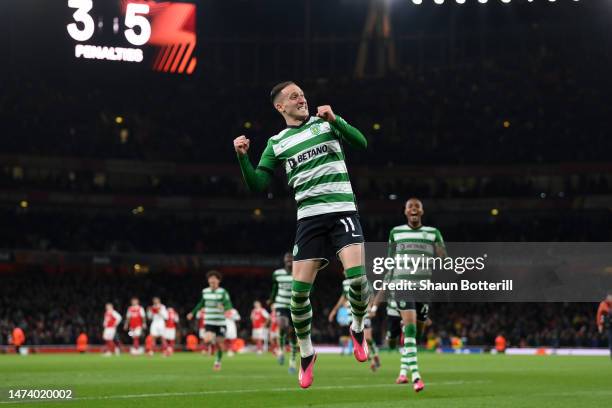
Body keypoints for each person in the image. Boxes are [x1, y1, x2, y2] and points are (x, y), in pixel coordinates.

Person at [234, 81, 370, 389]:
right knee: (297, 296)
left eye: (302, 94)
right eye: (294, 96)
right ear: (281, 107)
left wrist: (336, 120)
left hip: (342, 212)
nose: (302, 98)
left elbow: (361, 143)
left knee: (358, 280)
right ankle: (307, 353)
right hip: (309, 220)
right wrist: (243, 157)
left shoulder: (326, 123)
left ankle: (358, 327)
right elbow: (257, 185)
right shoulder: (276, 143)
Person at [370, 198, 446, 393]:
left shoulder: (433, 233)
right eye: (410, 206)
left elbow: (444, 259)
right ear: (405, 211)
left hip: (423, 289)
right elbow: (389, 264)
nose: (413, 209)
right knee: (410, 329)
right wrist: (377, 302)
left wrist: (440, 255)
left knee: (415, 335)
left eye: (417, 206)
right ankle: (416, 377)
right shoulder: (395, 233)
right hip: (402, 285)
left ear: (422, 211)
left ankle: (403, 371)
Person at [329, 279, 380, 371]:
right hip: (350, 313)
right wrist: (334, 310)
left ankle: (374, 356)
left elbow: (371, 296)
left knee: (368, 337)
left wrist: (372, 308)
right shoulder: (344, 283)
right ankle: (373, 357)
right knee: (360, 337)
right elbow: (343, 297)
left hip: (364, 311)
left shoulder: (364, 280)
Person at [187, 270, 233, 371]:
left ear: (218, 281)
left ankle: (217, 362)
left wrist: (226, 309)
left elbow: (228, 303)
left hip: (220, 322)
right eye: (210, 280)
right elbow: (201, 303)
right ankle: (211, 344)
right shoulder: (205, 291)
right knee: (207, 339)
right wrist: (192, 313)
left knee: (220, 344)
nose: (212, 282)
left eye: (214, 280)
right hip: (209, 321)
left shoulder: (223, 292)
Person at [268, 252, 297, 373]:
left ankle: (292, 360)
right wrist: (271, 299)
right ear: (284, 260)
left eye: (291, 258)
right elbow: (275, 288)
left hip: (295, 306)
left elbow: (310, 287)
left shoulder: (299, 272)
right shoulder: (277, 274)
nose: (289, 260)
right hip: (280, 304)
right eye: (287, 258)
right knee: (282, 325)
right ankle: (280, 350)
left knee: (292, 334)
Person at [596, 293, 612, 358]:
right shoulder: (603, 304)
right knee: (611, 339)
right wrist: (599, 325)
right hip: (609, 325)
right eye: (609, 297)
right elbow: (599, 315)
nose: (610, 299)